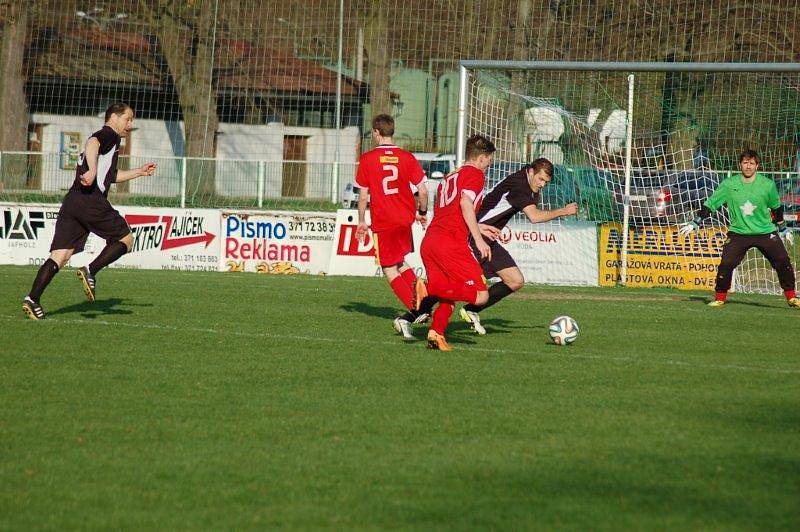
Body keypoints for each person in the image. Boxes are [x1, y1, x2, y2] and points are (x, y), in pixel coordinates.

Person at [22, 103, 157, 320]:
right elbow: (92, 142)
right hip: (91, 200)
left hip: (73, 200)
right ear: (114, 117)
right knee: (126, 239)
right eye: (128, 119)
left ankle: (32, 298)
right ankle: (90, 271)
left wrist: (138, 172)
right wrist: (92, 169)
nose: (130, 125)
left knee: (60, 255)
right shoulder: (109, 135)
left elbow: (110, 176)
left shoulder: (112, 141)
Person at [458, 158, 578, 334]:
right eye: (540, 179)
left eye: (546, 182)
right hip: (475, 236)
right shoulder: (519, 186)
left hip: (488, 238)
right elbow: (534, 217)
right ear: (530, 172)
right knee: (451, 282)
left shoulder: (526, 183)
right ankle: (415, 313)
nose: (543, 184)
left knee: (515, 280)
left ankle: (471, 310)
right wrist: (563, 211)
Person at [679, 149, 799, 308]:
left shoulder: (767, 185)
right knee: (726, 263)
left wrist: (782, 228)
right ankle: (720, 298)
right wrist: (696, 221)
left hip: (765, 232)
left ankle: (791, 297)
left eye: (751, 163)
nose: (748, 166)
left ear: (757, 165)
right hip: (738, 233)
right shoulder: (729, 185)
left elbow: (776, 208)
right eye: (745, 163)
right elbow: (711, 204)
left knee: (783, 261)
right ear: (740, 165)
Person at [417, 134, 496, 351]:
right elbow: (464, 203)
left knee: (449, 295)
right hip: (450, 244)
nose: (489, 165)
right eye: (489, 160)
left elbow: (450, 211)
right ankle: (428, 288)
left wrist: (477, 227)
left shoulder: (449, 177)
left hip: (431, 241)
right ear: (481, 158)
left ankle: (436, 334)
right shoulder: (475, 175)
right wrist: (478, 240)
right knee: (481, 295)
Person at [354, 114, 429, 339]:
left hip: (384, 221)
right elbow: (423, 191)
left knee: (388, 267)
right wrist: (422, 213)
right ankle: (423, 296)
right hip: (405, 219)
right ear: (392, 131)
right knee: (399, 261)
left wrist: (361, 221)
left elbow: (363, 195)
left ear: (377, 132)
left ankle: (417, 310)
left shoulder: (368, 159)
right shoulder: (406, 157)